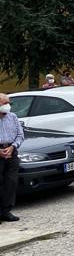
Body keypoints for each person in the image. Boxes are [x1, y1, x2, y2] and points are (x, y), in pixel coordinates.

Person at [0, 94, 25, 222]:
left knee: (11, 182)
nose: (7, 106)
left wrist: (13, 147)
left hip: (11, 152)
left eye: (8, 103)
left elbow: (20, 135)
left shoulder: (13, 117)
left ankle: (6, 210)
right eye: (4, 103)